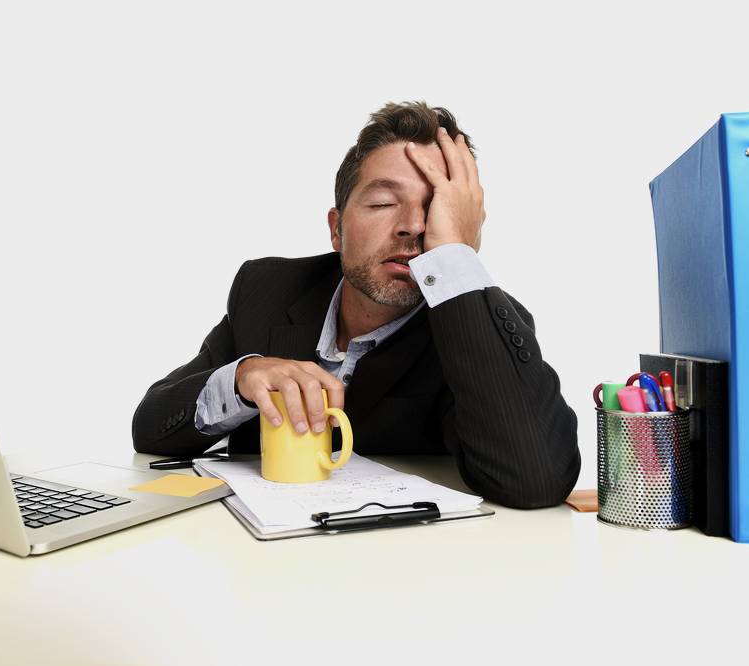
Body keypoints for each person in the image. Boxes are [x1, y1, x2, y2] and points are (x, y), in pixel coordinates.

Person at [132, 101, 579, 509]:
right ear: (336, 229)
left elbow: (534, 481)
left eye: (437, 210)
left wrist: (453, 260)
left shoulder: (480, 323)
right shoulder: (267, 290)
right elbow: (151, 429)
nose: (413, 226)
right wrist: (241, 377)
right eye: (385, 202)